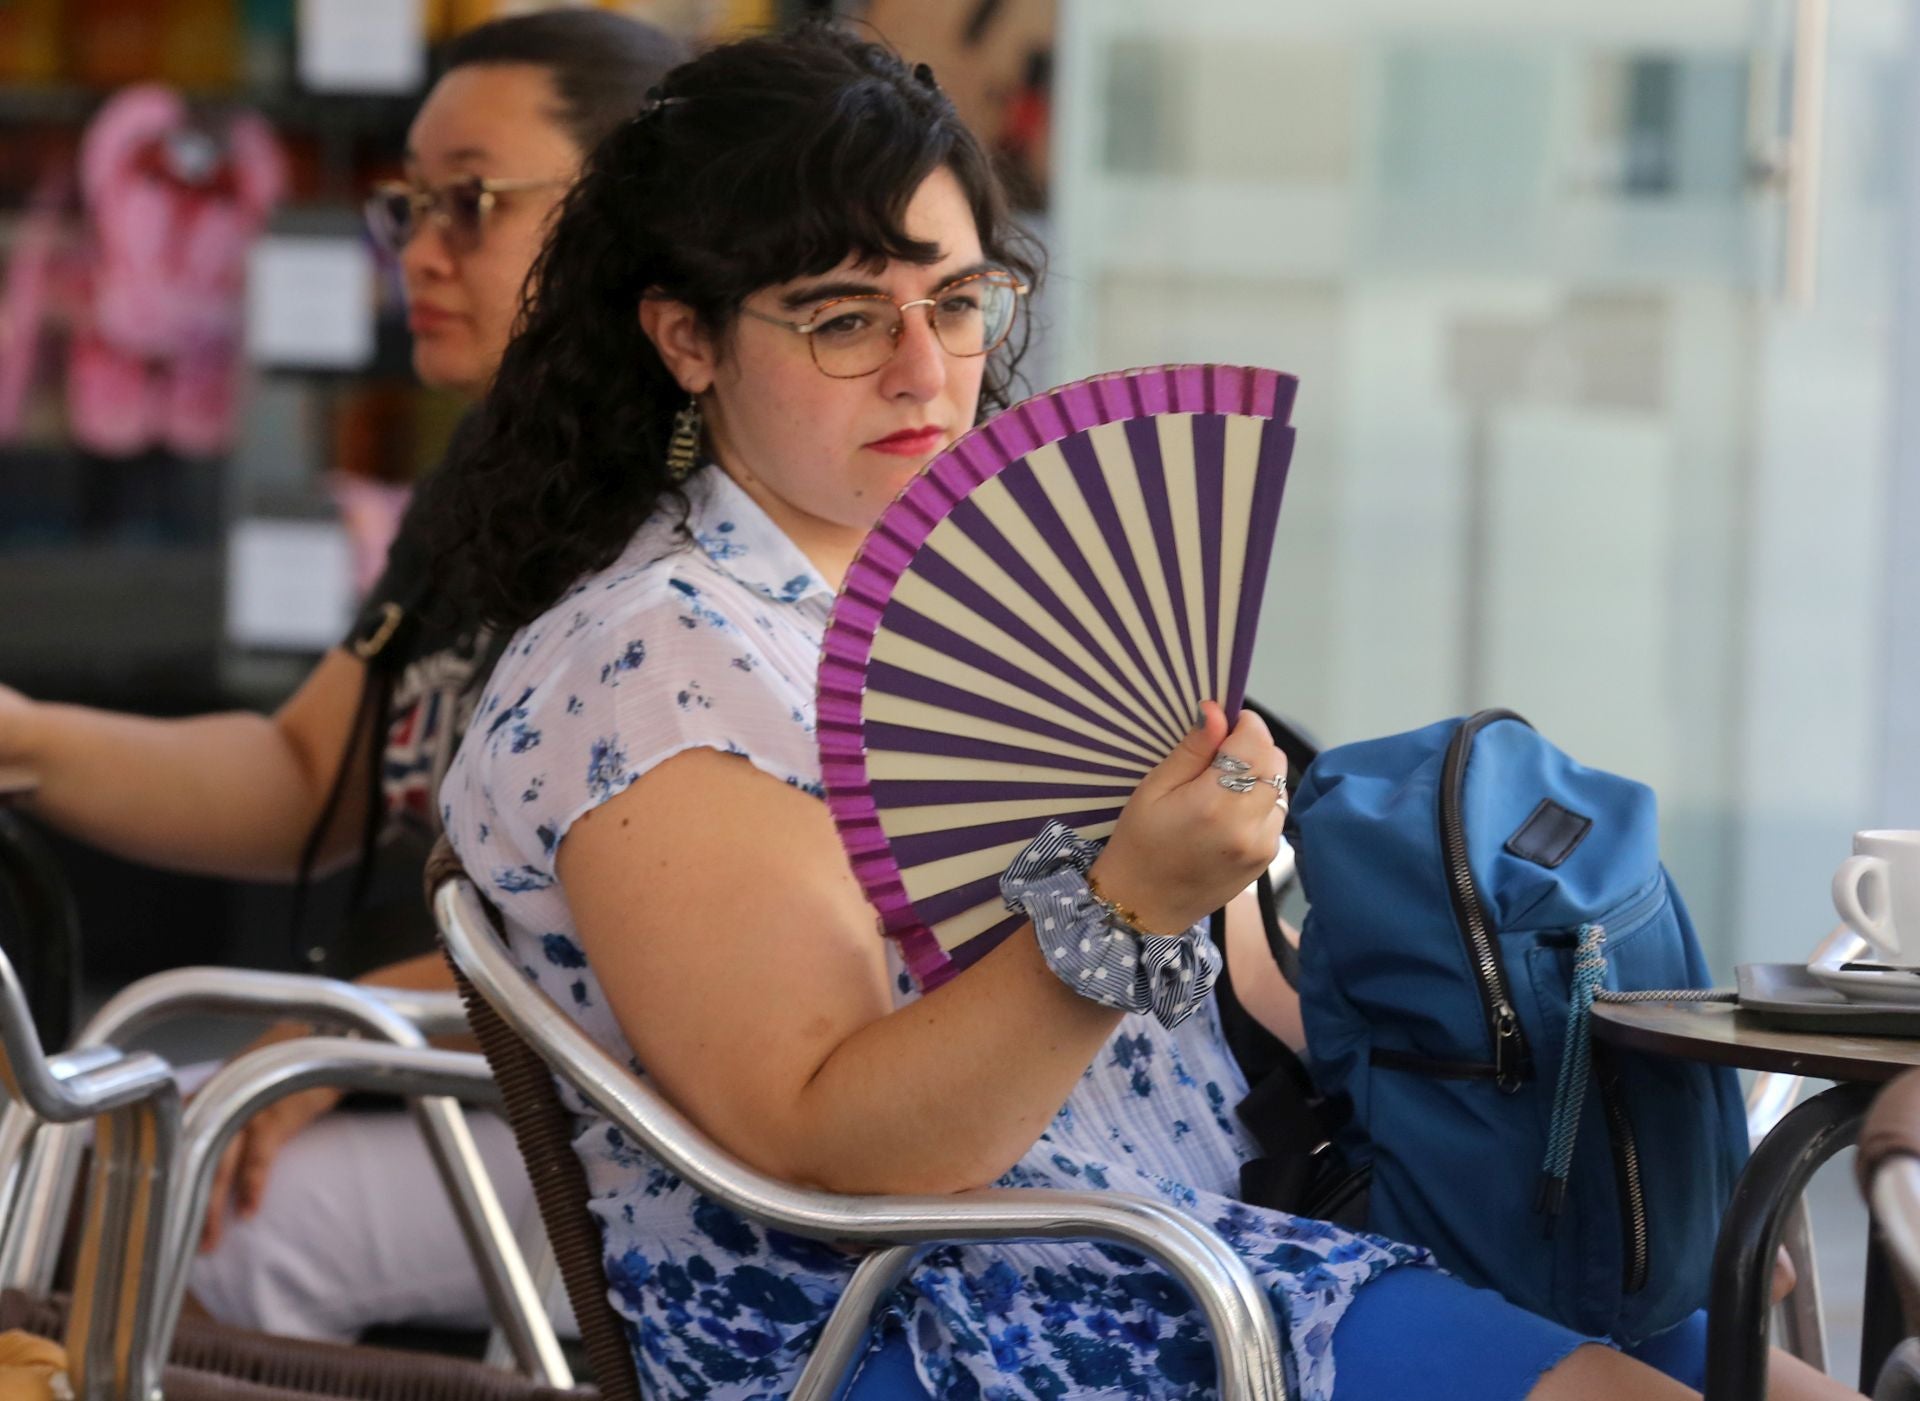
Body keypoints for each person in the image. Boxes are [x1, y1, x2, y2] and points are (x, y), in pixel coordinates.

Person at [433, 24, 1856, 1401]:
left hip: (1186, 1231)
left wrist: (1530, 1158)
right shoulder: (658, 666)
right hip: (925, 1315)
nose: (927, 369)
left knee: (1732, 1355)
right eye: (845, 319)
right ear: (686, 339)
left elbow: (1236, 1030)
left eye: (958, 300)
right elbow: (828, 1150)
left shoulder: (975, 593)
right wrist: (1121, 908)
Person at [0, 11, 684, 1341]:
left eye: (470, 203)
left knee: (180, 1222)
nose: (418, 251)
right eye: (405, 205)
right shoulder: (494, 474)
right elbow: (314, 766)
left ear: (633, 216)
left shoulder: (684, 513)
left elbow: (639, 926)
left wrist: (345, 1029)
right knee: (62, 1148)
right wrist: (24, 737)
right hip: (414, 1056)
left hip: (608, 1109)